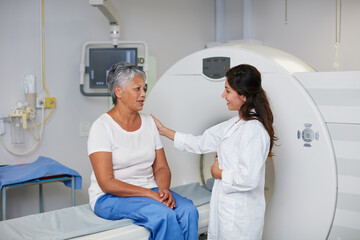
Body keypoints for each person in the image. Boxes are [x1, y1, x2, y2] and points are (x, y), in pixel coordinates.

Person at [152, 64, 276, 240]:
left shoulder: (253, 130)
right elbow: (199, 143)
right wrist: (164, 131)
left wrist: (219, 173)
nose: (223, 95)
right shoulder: (234, 124)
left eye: (227, 91)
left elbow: (249, 178)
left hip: (240, 215)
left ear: (243, 95)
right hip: (225, 209)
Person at [87, 62, 199, 240]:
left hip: (151, 189)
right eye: (137, 89)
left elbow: (162, 168)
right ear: (118, 92)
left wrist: (162, 191)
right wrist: (150, 194)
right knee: (165, 215)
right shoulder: (102, 127)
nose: (143, 94)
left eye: (144, 89)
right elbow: (106, 183)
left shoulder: (149, 123)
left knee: (188, 211)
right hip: (109, 197)